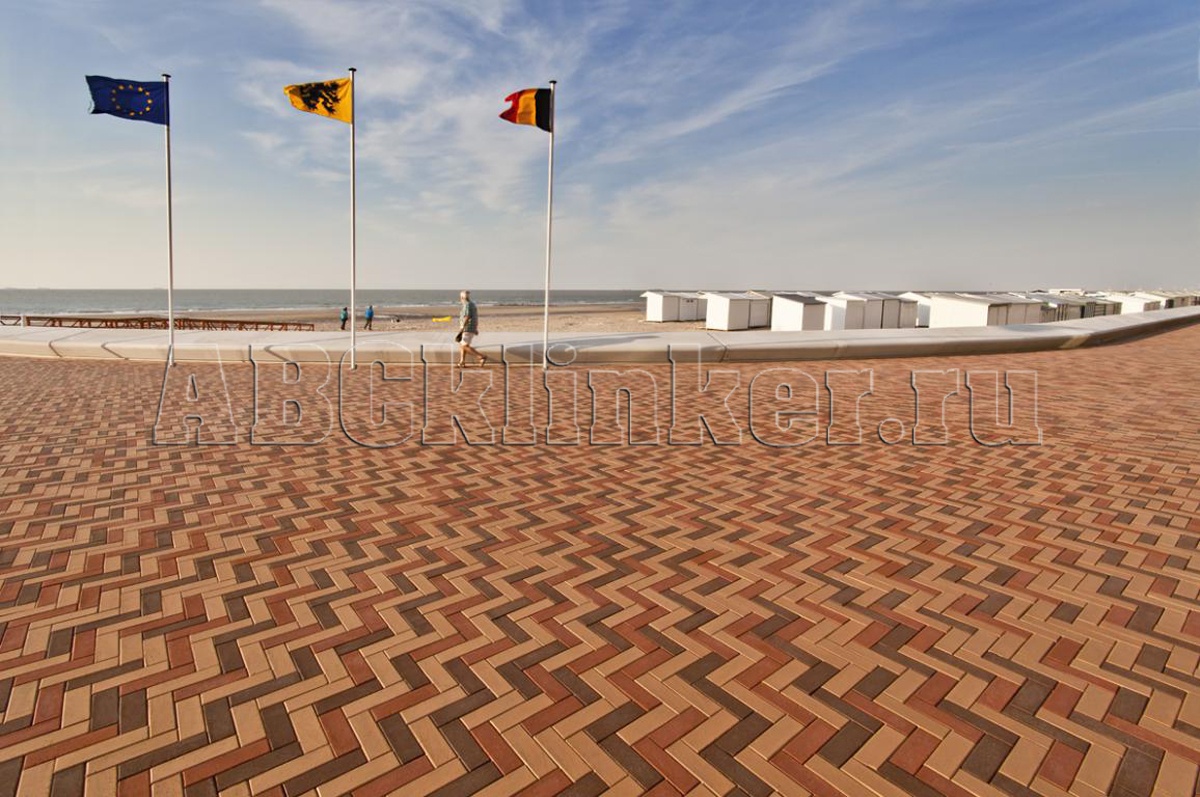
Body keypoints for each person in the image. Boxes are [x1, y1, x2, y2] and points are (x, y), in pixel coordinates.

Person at [457, 290, 486, 367]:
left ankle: (481, 356)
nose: (460, 299)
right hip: (471, 327)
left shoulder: (467, 305)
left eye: (460, 297)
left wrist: (462, 327)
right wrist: (475, 328)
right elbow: (475, 316)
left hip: (467, 328)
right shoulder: (472, 304)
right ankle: (462, 362)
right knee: (463, 344)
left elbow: (467, 316)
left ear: (462, 297)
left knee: (464, 346)